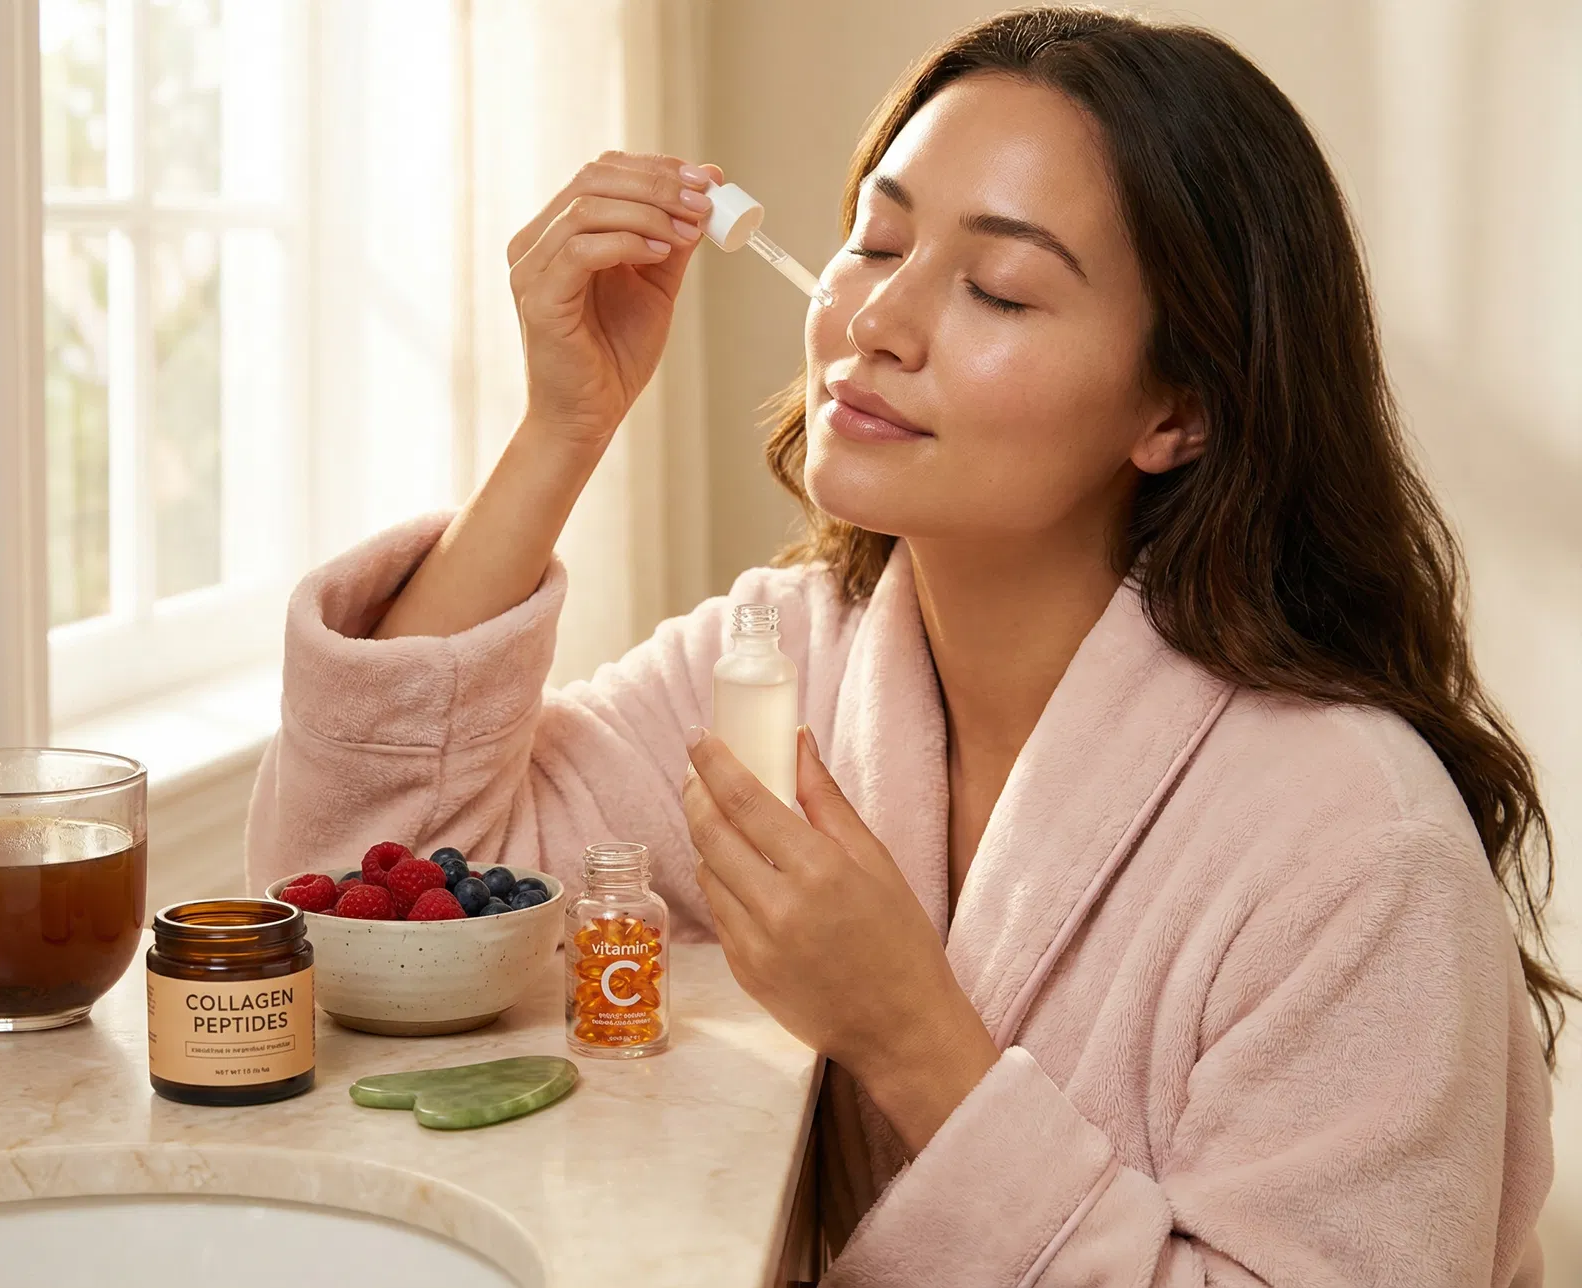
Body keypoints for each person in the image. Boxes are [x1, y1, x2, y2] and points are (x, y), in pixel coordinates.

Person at [248, 8, 1563, 1283]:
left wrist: (909, 1037)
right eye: (876, 244)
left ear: (1178, 411)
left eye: (997, 287)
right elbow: (363, 900)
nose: (876, 321)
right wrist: (561, 428)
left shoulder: (1354, 852)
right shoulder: (784, 675)